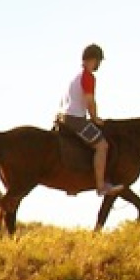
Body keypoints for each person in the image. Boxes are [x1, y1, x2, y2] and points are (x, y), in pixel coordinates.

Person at [56, 42, 115, 197]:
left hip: (62, 117)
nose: (98, 64)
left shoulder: (74, 77)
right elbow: (90, 101)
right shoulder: (88, 77)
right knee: (102, 146)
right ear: (93, 60)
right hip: (75, 118)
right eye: (98, 61)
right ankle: (101, 186)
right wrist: (95, 118)